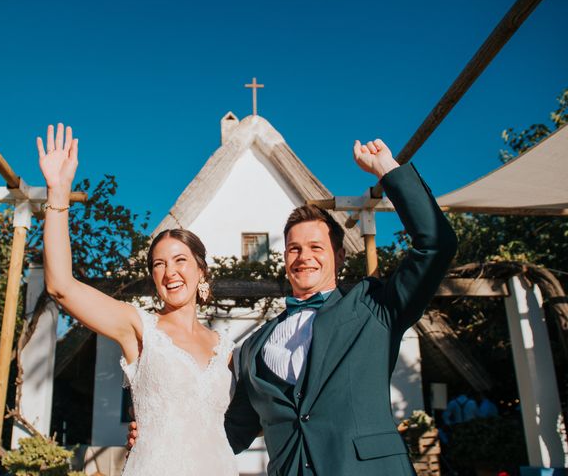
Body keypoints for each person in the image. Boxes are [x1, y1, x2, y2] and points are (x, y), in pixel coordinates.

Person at [129, 137, 458, 475]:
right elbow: (230, 432)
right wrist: (160, 434)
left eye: (316, 247)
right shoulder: (253, 347)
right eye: (294, 249)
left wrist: (387, 171)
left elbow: (437, 244)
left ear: (340, 256)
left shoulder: (374, 306)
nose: (304, 257)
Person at [38, 123, 238, 475]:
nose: (170, 272)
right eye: (159, 264)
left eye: (180, 261)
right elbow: (61, 287)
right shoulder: (138, 326)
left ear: (201, 271)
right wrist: (58, 194)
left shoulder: (228, 348)